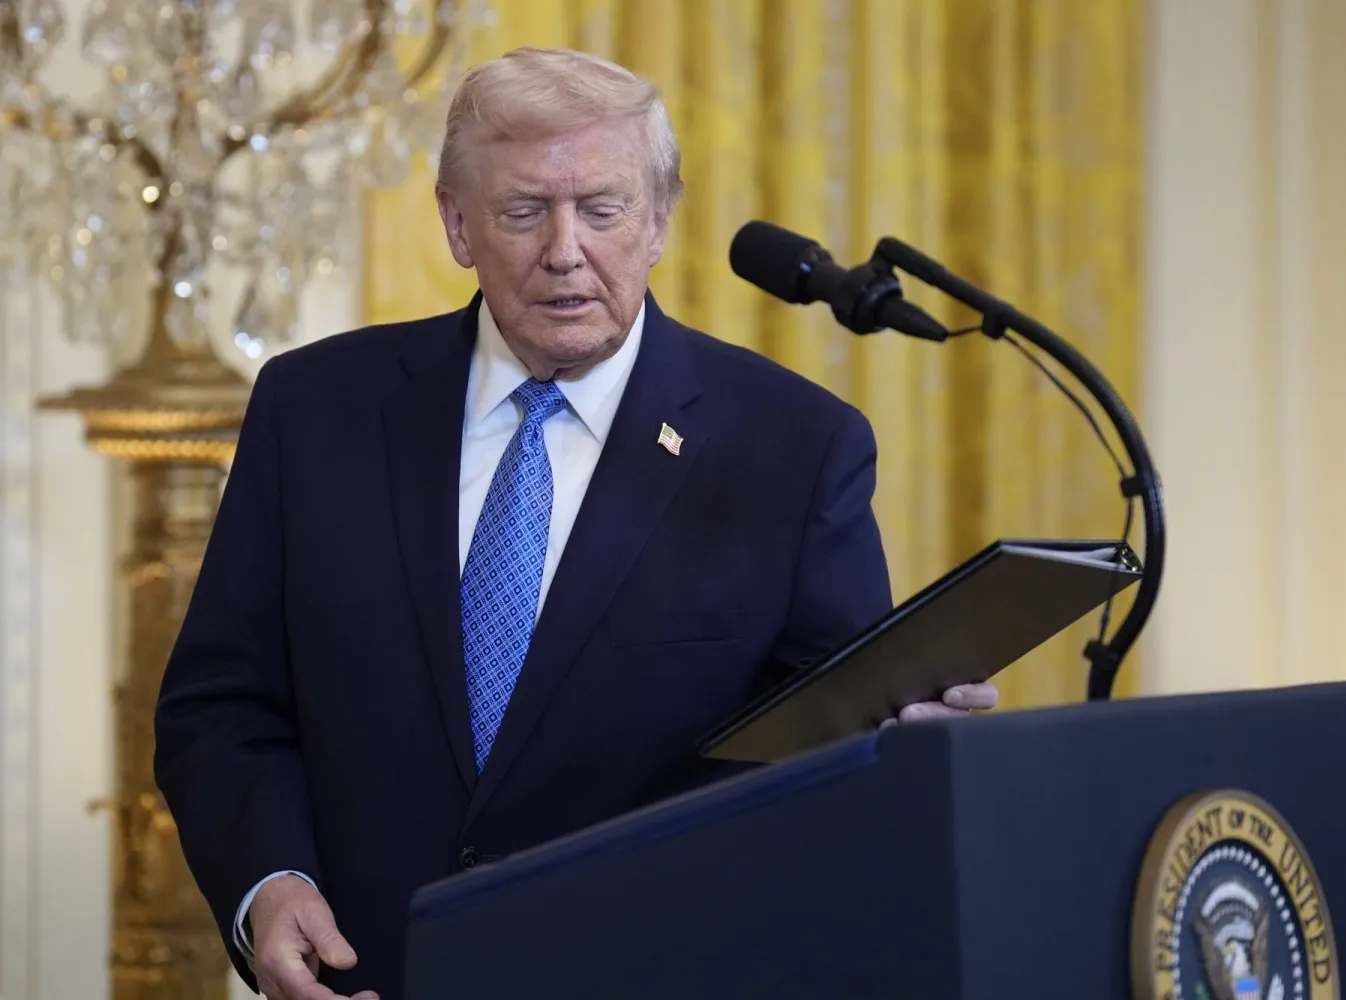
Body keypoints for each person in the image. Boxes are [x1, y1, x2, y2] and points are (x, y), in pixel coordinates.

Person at [154, 46, 997, 1000]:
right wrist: (270, 883)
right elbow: (220, 708)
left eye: (602, 209)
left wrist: (902, 740)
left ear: (659, 223)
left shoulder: (796, 448)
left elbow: (827, 750)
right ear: (456, 223)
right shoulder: (314, 411)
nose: (566, 250)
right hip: (371, 976)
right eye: (524, 212)